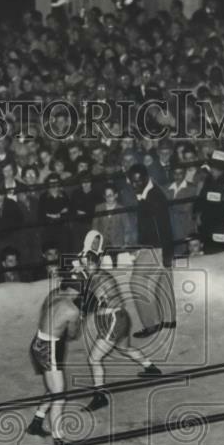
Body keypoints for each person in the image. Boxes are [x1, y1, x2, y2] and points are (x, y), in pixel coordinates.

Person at [78, 251, 162, 411]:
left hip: (114, 320)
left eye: (88, 264)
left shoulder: (100, 278)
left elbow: (93, 302)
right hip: (115, 318)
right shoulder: (96, 276)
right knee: (125, 348)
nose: (86, 267)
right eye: (84, 264)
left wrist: (82, 308)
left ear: (95, 263)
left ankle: (100, 396)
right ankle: (151, 368)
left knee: (93, 359)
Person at [25, 274, 86, 445]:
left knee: (55, 388)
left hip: (41, 341)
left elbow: (45, 315)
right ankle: (59, 444)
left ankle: (36, 423)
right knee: (60, 395)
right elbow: (73, 335)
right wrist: (81, 318)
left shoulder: (53, 294)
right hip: (49, 348)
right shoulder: (72, 310)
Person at [127, 164, 176, 339]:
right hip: (159, 247)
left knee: (136, 282)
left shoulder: (153, 197)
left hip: (155, 247)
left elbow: (164, 226)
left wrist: (166, 253)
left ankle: (151, 324)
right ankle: (169, 320)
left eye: (139, 181)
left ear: (146, 178)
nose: (135, 185)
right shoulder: (150, 192)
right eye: (133, 182)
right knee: (163, 280)